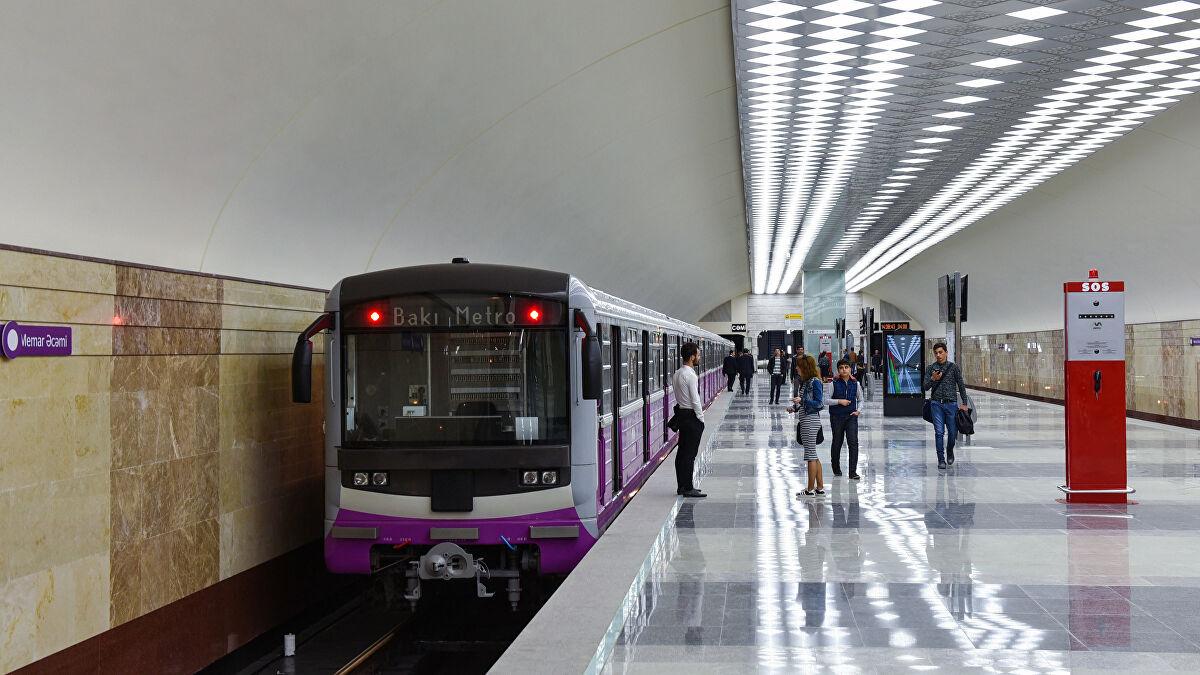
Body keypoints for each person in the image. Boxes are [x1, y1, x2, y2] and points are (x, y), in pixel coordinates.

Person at [923, 342, 970, 469]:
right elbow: (925, 387)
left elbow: (961, 385)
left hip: (951, 404)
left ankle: (950, 450)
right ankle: (941, 459)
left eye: (940, 352)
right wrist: (933, 379)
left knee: (953, 432)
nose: (938, 355)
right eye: (936, 353)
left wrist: (964, 403)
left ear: (946, 352)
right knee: (939, 432)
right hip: (936, 404)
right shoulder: (931, 368)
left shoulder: (953, 367)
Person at [671, 341, 706, 498]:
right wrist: (700, 418)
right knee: (690, 455)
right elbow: (695, 399)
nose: (699, 357)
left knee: (682, 453)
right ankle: (688, 488)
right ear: (692, 357)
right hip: (691, 416)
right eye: (698, 355)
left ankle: (682, 486)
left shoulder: (677, 373)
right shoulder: (690, 375)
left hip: (682, 415)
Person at [789, 354, 825, 497]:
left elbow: (819, 403)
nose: (796, 368)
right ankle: (819, 488)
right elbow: (804, 403)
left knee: (810, 455)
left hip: (811, 421)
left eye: (799, 366)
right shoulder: (806, 382)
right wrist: (794, 408)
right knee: (813, 455)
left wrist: (802, 400)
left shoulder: (815, 382)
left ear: (805, 367)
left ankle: (809, 490)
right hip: (806, 420)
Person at [827, 359, 861, 479]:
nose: (844, 370)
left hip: (851, 416)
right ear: (838, 370)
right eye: (841, 368)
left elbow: (860, 399)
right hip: (837, 417)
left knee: (853, 443)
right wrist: (839, 401)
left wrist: (858, 410)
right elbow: (826, 400)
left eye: (846, 367)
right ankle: (836, 468)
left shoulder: (855, 383)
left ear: (850, 369)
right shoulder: (833, 383)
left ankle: (853, 472)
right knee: (837, 442)